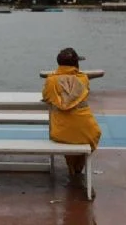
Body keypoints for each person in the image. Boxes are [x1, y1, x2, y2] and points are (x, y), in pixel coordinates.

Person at [42, 47, 102, 177]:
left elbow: (46, 96)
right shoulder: (83, 79)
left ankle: (71, 165)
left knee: (66, 135)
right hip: (86, 130)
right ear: (76, 63)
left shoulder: (51, 80)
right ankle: (79, 166)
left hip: (60, 131)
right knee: (94, 133)